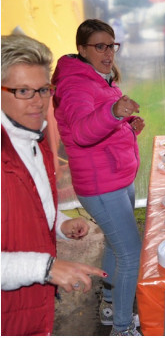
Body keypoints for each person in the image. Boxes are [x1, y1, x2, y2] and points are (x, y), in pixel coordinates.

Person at [1, 34, 106, 336]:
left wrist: (60, 223)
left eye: (43, 89)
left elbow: (29, 205)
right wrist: (46, 268)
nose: (38, 102)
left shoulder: (34, 137)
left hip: (31, 304)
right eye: (23, 90)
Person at [52, 19, 145, 336]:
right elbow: (79, 131)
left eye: (112, 45)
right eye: (100, 46)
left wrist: (126, 126)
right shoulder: (75, 84)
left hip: (116, 176)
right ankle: (121, 328)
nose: (108, 53)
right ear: (82, 49)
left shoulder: (98, 79)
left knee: (117, 246)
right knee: (131, 253)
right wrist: (114, 113)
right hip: (100, 184)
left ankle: (109, 303)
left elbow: (100, 126)